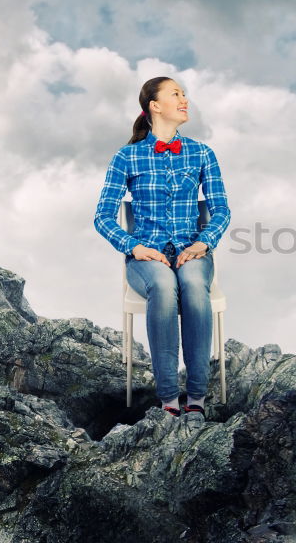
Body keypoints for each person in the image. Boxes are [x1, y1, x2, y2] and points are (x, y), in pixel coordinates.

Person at [93, 76, 231, 422]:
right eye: (176, 94)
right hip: (147, 255)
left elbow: (222, 210)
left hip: (192, 250)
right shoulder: (127, 156)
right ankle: (169, 398)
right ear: (154, 106)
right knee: (165, 286)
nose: (185, 100)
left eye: (184, 94)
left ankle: (197, 397)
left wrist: (203, 242)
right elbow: (102, 217)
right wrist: (134, 247)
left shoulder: (202, 153)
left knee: (194, 286)